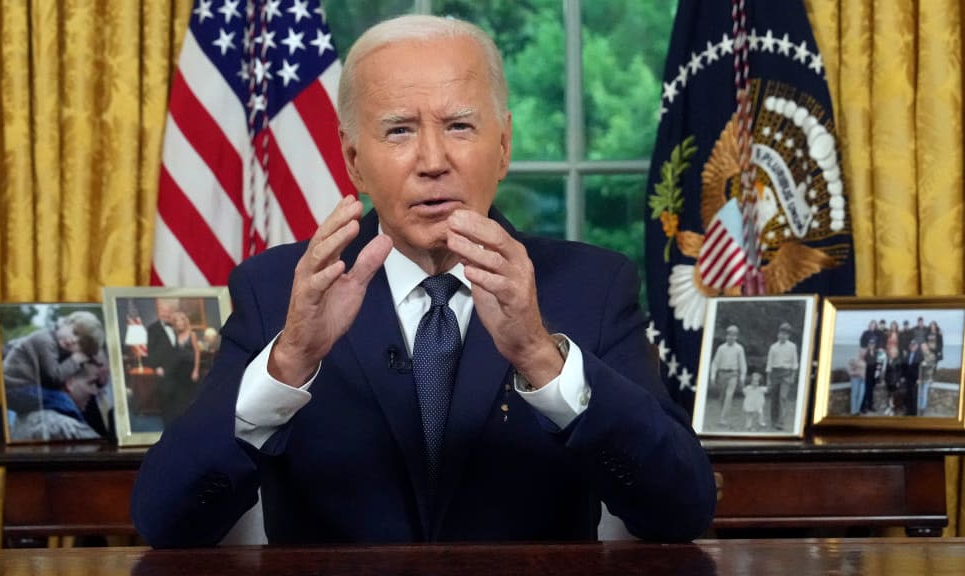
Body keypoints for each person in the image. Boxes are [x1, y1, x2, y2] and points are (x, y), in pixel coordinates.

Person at [131, 14, 715, 547]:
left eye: (460, 126)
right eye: (399, 131)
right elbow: (166, 522)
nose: (433, 160)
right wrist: (287, 364)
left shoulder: (592, 285)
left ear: (504, 144)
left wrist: (542, 357)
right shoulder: (277, 290)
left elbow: (681, 511)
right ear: (353, 158)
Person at [2, 311, 106, 416]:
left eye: (80, 343)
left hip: (24, 388)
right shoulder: (44, 340)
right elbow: (54, 377)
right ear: (65, 323)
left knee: (60, 400)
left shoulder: (59, 346)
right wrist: (76, 359)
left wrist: (89, 358)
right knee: (63, 401)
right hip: (12, 387)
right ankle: (79, 429)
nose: (73, 340)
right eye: (75, 332)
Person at [10, 351, 109, 441]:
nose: (95, 392)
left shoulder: (22, 419)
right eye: (91, 383)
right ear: (69, 382)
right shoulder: (69, 430)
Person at [156, 311, 203, 425]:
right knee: (178, 395)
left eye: (181, 321)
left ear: (185, 322)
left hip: (190, 368)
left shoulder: (192, 334)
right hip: (177, 369)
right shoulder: (174, 335)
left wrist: (196, 370)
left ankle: (191, 421)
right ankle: (179, 420)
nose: (179, 323)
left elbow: (197, 353)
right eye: (176, 321)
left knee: (191, 395)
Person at [709, 325, 747, 426]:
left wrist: (742, 377)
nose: (731, 337)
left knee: (729, 396)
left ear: (736, 337)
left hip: (733, 374)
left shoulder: (739, 349)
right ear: (726, 336)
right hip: (722, 374)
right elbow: (715, 363)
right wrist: (712, 376)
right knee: (722, 397)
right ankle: (723, 414)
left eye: (734, 335)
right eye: (730, 335)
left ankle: (723, 419)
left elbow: (742, 364)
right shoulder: (721, 348)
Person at [765, 322, 798, 430]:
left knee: (782, 397)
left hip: (787, 374)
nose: (783, 336)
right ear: (778, 334)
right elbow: (769, 364)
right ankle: (773, 421)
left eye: (785, 334)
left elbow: (794, 363)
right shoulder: (773, 347)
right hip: (775, 373)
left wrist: (793, 376)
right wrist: (768, 379)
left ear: (788, 335)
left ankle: (781, 422)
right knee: (774, 398)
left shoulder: (792, 347)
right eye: (781, 333)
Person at [862, 338, 880, 413]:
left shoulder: (876, 353)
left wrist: (877, 375)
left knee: (871, 392)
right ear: (868, 345)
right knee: (865, 391)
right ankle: (863, 407)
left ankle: (870, 406)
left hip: (873, 375)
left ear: (874, 345)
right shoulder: (865, 352)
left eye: (873, 344)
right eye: (870, 344)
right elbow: (864, 362)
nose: (871, 345)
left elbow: (878, 363)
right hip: (866, 374)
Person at [847, 350, 866, 415]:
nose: (862, 354)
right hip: (856, 379)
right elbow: (849, 371)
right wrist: (857, 373)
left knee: (861, 395)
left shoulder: (865, 361)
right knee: (854, 395)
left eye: (864, 353)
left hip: (863, 380)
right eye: (861, 353)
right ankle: (853, 412)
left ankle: (857, 410)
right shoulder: (855, 360)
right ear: (859, 353)